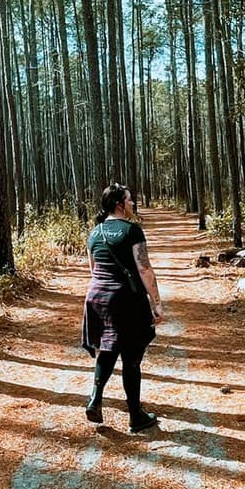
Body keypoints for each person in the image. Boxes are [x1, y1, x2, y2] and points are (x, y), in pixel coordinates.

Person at [81, 183, 163, 431]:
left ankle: (95, 398)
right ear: (119, 204)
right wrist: (157, 303)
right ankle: (136, 416)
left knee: (107, 349)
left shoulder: (94, 233)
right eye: (129, 200)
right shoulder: (132, 231)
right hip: (126, 299)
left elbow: (93, 269)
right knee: (131, 358)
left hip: (97, 298)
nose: (133, 204)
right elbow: (144, 269)